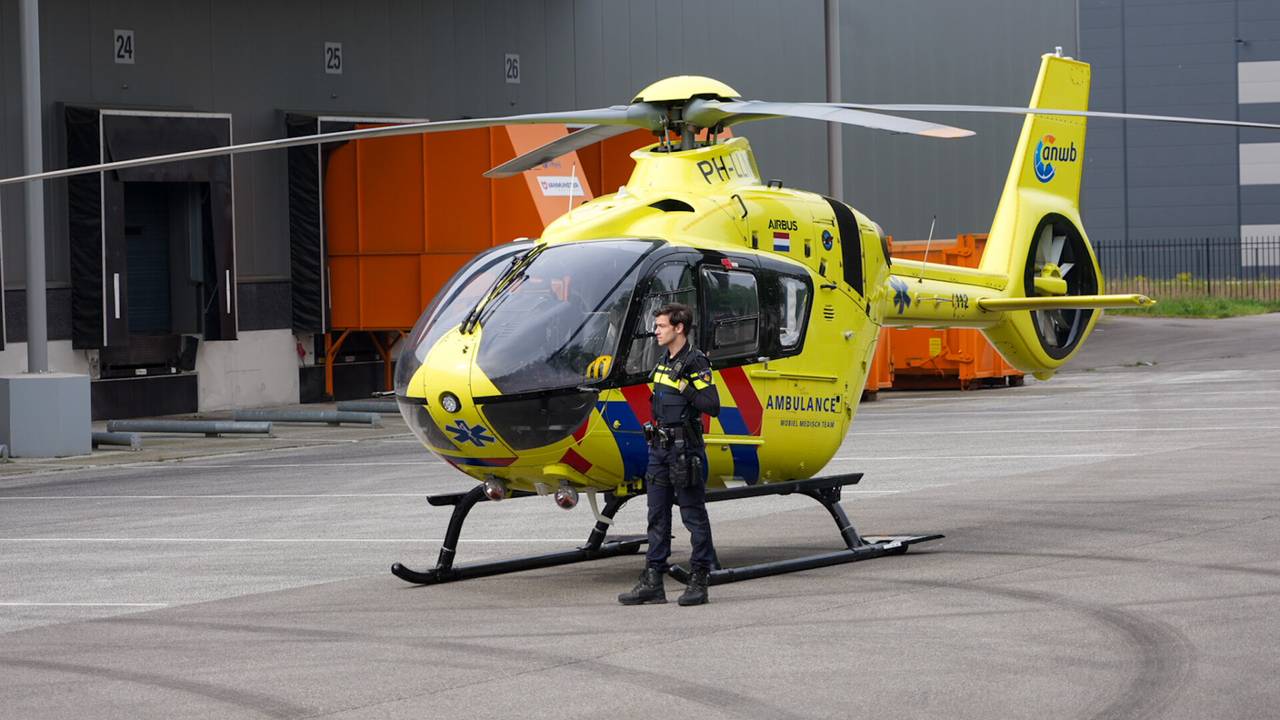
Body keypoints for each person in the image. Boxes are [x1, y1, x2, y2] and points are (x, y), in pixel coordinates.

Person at [618, 303, 720, 606]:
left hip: (684, 451)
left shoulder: (695, 362)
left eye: (661, 326)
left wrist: (685, 387)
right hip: (659, 450)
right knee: (656, 516)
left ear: (679, 328)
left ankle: (699, 580)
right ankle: (653, 581)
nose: (656, 331)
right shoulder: (664, 359)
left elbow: (711, 404)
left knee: (693, 516)